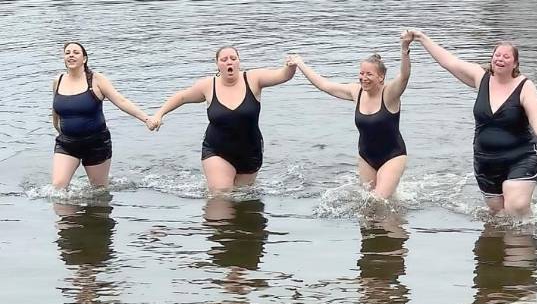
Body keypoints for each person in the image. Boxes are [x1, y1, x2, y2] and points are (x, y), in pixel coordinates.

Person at [406, 30, 537, 216]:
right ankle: (505, 240)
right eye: (497, 55)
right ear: (492, 58)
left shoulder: (525, 86)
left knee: (515, 207)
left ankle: (523, 241)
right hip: (486, 160)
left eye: (506, 56)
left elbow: (536, 115)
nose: (500, 59)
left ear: (515, 63)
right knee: (498, 213)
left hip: (520, 156)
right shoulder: (480, 77)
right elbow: (449, 62)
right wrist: (422, 38)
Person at [148, 46, 296, 193]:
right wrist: (159, 114)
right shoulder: (208, 85)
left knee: (243, 200)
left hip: (250, 151)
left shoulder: (253, 79)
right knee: (221, 193)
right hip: (216, 150)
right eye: (224, 60)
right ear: (218, 64)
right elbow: (182, 97)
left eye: (233, 58)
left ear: (239, 62)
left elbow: (283, 75)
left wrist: (290, 66)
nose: (229, 62)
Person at [289, 32, 412, 199]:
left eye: (369, 74)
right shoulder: (356, 92)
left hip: (393, 156)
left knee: (378, 201)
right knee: (368, 205)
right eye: (362, 73)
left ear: (381, 77)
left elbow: (404, 77)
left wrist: (404, 49)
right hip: (366, 158)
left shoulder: (390, 94)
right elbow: (324, 85)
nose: (364, 78)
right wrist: (300, 63)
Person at [52, 42, 152, 189]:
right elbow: (56, 110)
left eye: (75, 52)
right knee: (58, 187)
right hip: (67, 143)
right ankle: (68, 213)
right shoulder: (58, 81)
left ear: (84, 59)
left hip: (96, 144)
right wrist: (58, 129)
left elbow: (121, 101)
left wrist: (146, 119)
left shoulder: (96, 80)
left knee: (99, 191)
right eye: (67, 53)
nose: (71, 55)